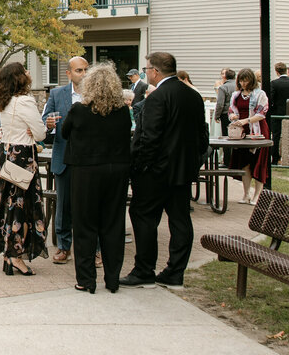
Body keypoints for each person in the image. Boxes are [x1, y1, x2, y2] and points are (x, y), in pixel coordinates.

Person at [122, 51, 210, 288]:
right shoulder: (193, 96)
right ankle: (175, 272)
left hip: (155, 172)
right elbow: (202, 135)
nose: (146, 73)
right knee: (180, 220)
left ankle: (144, 270)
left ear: (155, 71)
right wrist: (193, 161)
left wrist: (139, 167)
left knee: (143, 217)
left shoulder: (157, 98)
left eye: (147, 69)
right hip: (183, 170)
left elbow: (148, 137)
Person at [61, 64, 132, 294]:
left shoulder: (79, 110)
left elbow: (64, 132)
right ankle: (112, 279)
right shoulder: (122, 112)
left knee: (84, 225)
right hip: (116, 171)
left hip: (86, 172)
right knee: (113, 224)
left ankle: (86, 279)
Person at [0, 61, 47, 276]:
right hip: (23, 157)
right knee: (23, 205)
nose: (28, 72)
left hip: (8, 154)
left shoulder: (5, 100)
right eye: (25, 70)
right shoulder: (25, 101)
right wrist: (33, 130)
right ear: (20, 78)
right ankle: (15, 254)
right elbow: (40, 133)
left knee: (8, 205)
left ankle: (10, 251)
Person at [42, 55, 88, 265]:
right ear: (69, 73)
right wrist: (49, 124)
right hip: (63, 156)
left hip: (88, 158)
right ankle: (63, 247)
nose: (84, 74)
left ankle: (93, 248)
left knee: (89, 205)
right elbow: (45, 119)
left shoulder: (95, 93)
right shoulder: (57, 93)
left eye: (85, 69)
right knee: (63, 205)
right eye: (79, 70)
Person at [227, 67, 271, 204]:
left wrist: (246, 120)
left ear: (251, 81)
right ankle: (246, 194)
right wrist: (233, 116)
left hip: (258, 131)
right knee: (244, 163)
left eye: (246, 81)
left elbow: (261, 113)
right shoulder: (236, 95)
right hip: (242, 132)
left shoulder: (260, 94)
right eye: (241, 81)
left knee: (258, 163)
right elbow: (231, 110)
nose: (243, 84)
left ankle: (257, 195)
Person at [214, 68, 236, 137]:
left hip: (226, 113)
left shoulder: (223, 87)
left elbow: (220, 104)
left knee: (226, 135)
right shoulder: (238, 86)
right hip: (237, 113)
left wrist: (217, 115)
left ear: (225, 77)